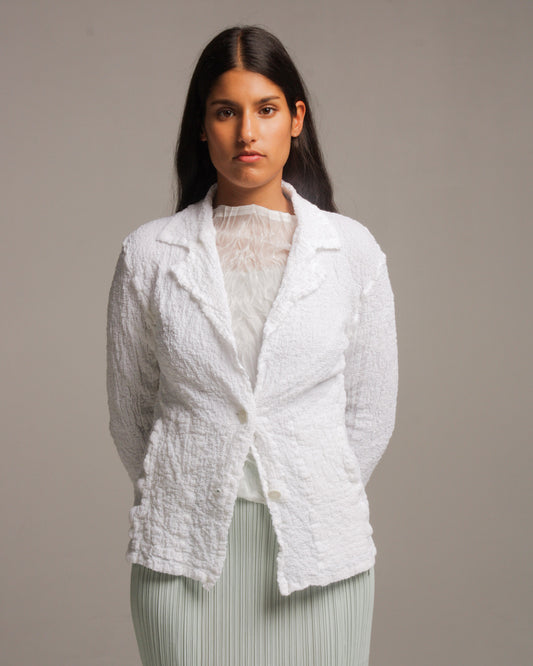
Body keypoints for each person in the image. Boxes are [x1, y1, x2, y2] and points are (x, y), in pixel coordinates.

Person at [106, 24, 398, 666]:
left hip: (320, 555)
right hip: (184, 558)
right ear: (201, 126)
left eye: (266, 110)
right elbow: (131, 416)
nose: (247, 133)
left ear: (296, 120)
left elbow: (371, 411)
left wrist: (315, 490)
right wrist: (187, 483)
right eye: (225, 112)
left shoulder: (352, 252)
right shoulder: (149, 255)